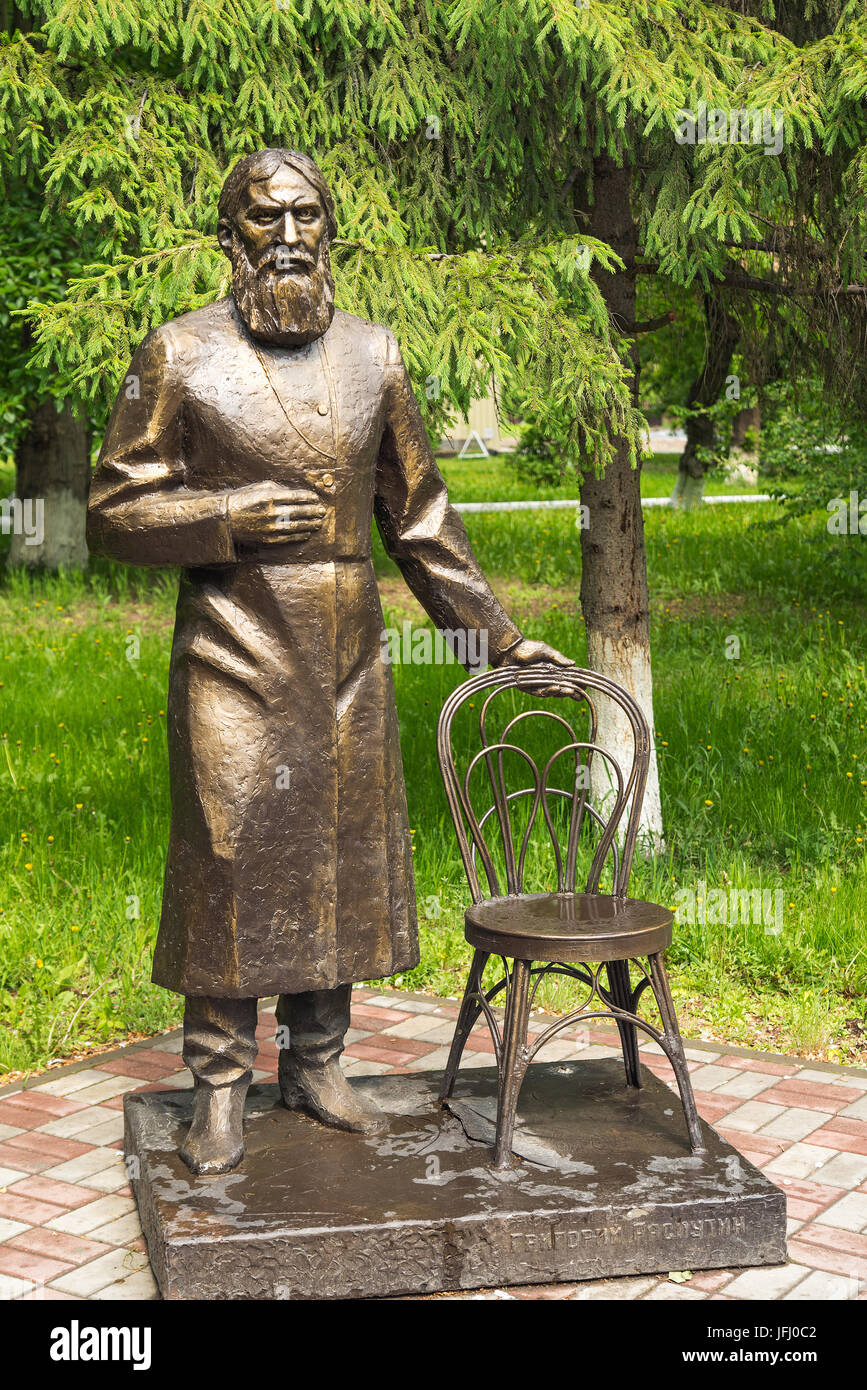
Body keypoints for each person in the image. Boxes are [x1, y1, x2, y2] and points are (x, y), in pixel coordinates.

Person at [87, 149, 573, 1174]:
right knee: (231, 855)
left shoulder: (374, 356)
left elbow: (421, 516)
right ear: (230, 237)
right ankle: (219, 1086)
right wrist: (224, 514)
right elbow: (113, 510)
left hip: (347, 649)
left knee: (335, 854)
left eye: (308, 214)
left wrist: (496, 637)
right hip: (233, 646)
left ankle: (316, 1063)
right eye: (267, 217)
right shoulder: (175, 355)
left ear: (331, 229)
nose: (291, 234)